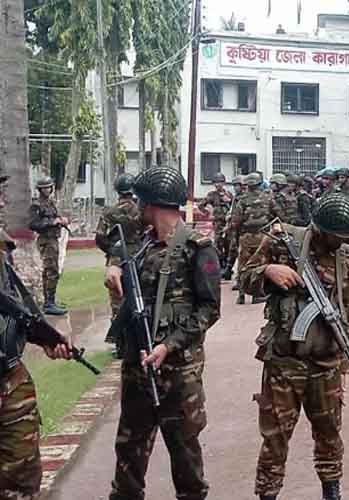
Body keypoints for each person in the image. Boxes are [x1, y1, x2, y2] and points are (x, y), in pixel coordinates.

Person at [103, 166, 221, 500]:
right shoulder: (141, 243)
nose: (138, 209)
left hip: (178, 372)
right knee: (128, 453)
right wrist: (113, 266)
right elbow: (117, 243)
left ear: (153, 205)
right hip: (137, 365)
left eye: (142, 203)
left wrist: (169, 346)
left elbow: (209, 310)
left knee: (184, 455)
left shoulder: (198, 248)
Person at [243, 193, 349, 500]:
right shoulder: (282, 242)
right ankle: (267, 494)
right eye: (336, 236)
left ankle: (331, 491)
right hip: (284, 362)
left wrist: (344, 365)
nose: (340, 242)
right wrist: (268, 272)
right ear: (320, 228)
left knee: (329, 435)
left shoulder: (347, 259)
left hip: (326, 366)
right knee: (275, 437)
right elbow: (244, 278)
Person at [0, 173, 75, 500]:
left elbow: (11, 305)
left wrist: (43, 336)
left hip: (9, 368)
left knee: (21, 474)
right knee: (19, 477)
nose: (2, 201)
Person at [95, 173, 145, 355]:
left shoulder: (109, 211)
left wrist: (111, 251)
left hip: (117, 259)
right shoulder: (141, 210)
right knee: (140, 297)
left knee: (118, 302)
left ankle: (121, 346)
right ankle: (141, 342)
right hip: (139, 257)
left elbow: (99, 237)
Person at [230, 172, 272, 304]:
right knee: (259, 265)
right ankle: (256, 295)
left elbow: (235, 221)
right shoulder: (268, 198)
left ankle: (241, 295)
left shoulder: (242, 200)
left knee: (243, 264)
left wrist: (236, 237)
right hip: (263, 237)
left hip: (246, 237)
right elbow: (276, 216)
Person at [28, 175, 68, 315]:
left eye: (48, 187)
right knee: (51, 271)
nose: (47, 190)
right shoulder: (36, 205)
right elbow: (33, 224)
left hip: (53, 239)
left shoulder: (50, 204)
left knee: (51, 271)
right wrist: (52, 222)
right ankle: (49, 304)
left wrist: (61, 221)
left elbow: (53, 218)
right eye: (44, 187)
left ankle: (50, 301)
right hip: (46, 240)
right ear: (39, 189)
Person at [199, 173, 234, 280]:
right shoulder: (212, 195)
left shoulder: (228, 194)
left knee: (229, 244)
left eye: (220, 182)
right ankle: (220, 264)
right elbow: (201, 205)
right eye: (216, 182)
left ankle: (227, 267)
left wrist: (229, 201)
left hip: (228, 223)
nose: (218, 184)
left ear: (224, 183)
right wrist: (207, 213)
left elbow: (235, 206)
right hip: (218, 223)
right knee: (218, 244)